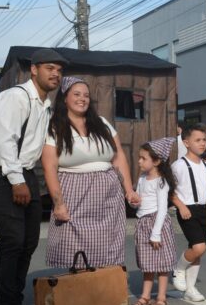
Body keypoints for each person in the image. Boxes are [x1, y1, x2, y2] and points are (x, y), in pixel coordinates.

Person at [0, 48, 65, 305]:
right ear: (34, 70)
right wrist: (16, 181)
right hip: (1, 172)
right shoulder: (16, 97)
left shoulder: (45, 103)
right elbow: (6, 141)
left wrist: (23, 177)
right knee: (13, 241)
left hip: (22, 171)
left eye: (59, 70)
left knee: (28, 242)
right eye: (49, 68)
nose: (55, 73)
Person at [41, 76, 137, 272]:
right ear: (65, 98)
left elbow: (118, 158)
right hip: (74, 193)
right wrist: (58, 204)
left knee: (108, 249)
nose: (82, 99)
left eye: (86, 95)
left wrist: (129, 190)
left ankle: (104, 297)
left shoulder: (101, 123)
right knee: (77, 252)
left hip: (108, 194)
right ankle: (82, 298)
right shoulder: (55, 126)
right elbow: (49, 166)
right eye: (76, 94)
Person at [171, 124, 206, 302]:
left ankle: (190, 288)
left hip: (205, 210)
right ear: (186, 143)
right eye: (197, 140)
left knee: (198, 251)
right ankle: (179, 268)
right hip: (188, 210)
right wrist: (181, 206)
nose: (202, 143)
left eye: (204, 140)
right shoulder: (179, 165)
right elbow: (170, 191)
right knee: (199, 247)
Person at [131, 138, 178, 305]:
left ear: (156, 161)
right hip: (143, 222)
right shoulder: (143, 178)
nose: (139, 161)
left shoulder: (161, 181)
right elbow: (138, 199)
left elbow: (163, 209)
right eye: (139, 158)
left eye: (143, 158)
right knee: (147, 263)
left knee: (162, 263)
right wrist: (134, 202)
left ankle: (161, 297)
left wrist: (156, 233)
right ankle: (145, 296)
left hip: (157, 223)